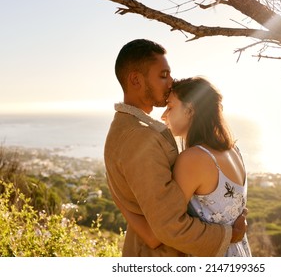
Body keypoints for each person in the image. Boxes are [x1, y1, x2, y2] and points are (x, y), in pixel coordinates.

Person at [104, 39, 247, 257]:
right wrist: (229, 235)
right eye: (163, 75)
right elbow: (164, 230)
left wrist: (118, 200)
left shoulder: (138, 131)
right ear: (135, 79)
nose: (170, 82)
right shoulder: (139, 138)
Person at [123, 76, 252, 256]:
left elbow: (162, 228)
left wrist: (123, 201)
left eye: (170, 106)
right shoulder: (233, 150)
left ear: (190, 110)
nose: (163, 115)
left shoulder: (194, 159)